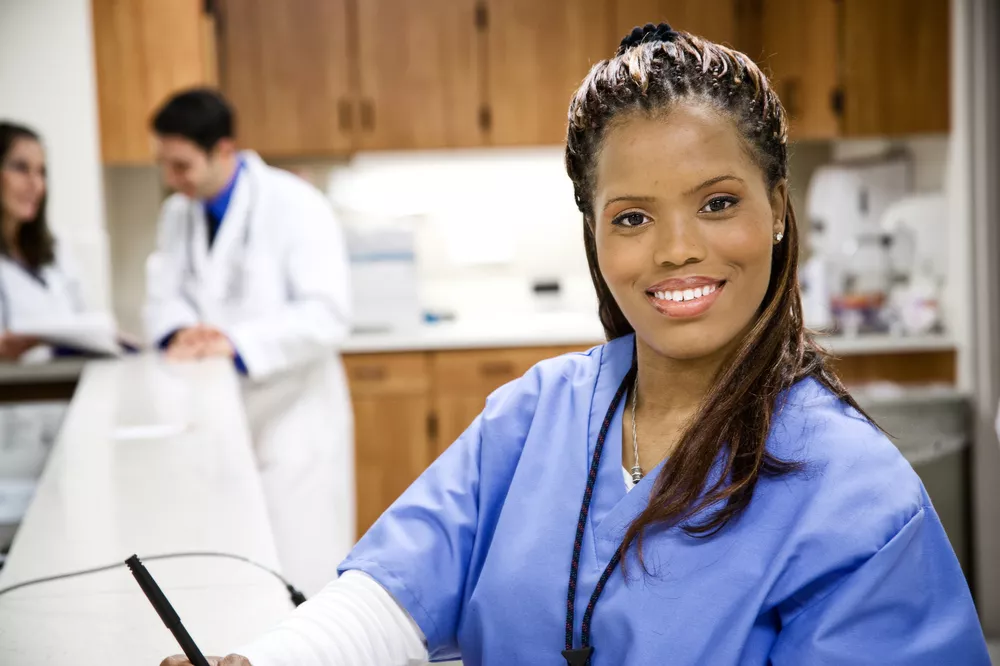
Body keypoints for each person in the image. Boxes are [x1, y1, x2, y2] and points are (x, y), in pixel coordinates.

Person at [161, 24, 990, 666]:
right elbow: (397, 590)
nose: (674, 250)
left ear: (777, 208)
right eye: (632, 217)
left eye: (716, 203)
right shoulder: (536, 415)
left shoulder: (855, 497)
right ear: (595, 234)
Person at [144, 88, 354, 597]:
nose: (173, 181)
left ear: (223, 150)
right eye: (166, 166)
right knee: (235, 580)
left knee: (300, 575)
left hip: (294, 422)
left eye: (182, 166)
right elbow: (162, 293)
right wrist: (179, 330)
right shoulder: (179, 214)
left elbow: (328, 314)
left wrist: (234, 342)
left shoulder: (295, 204)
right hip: (219, 418)